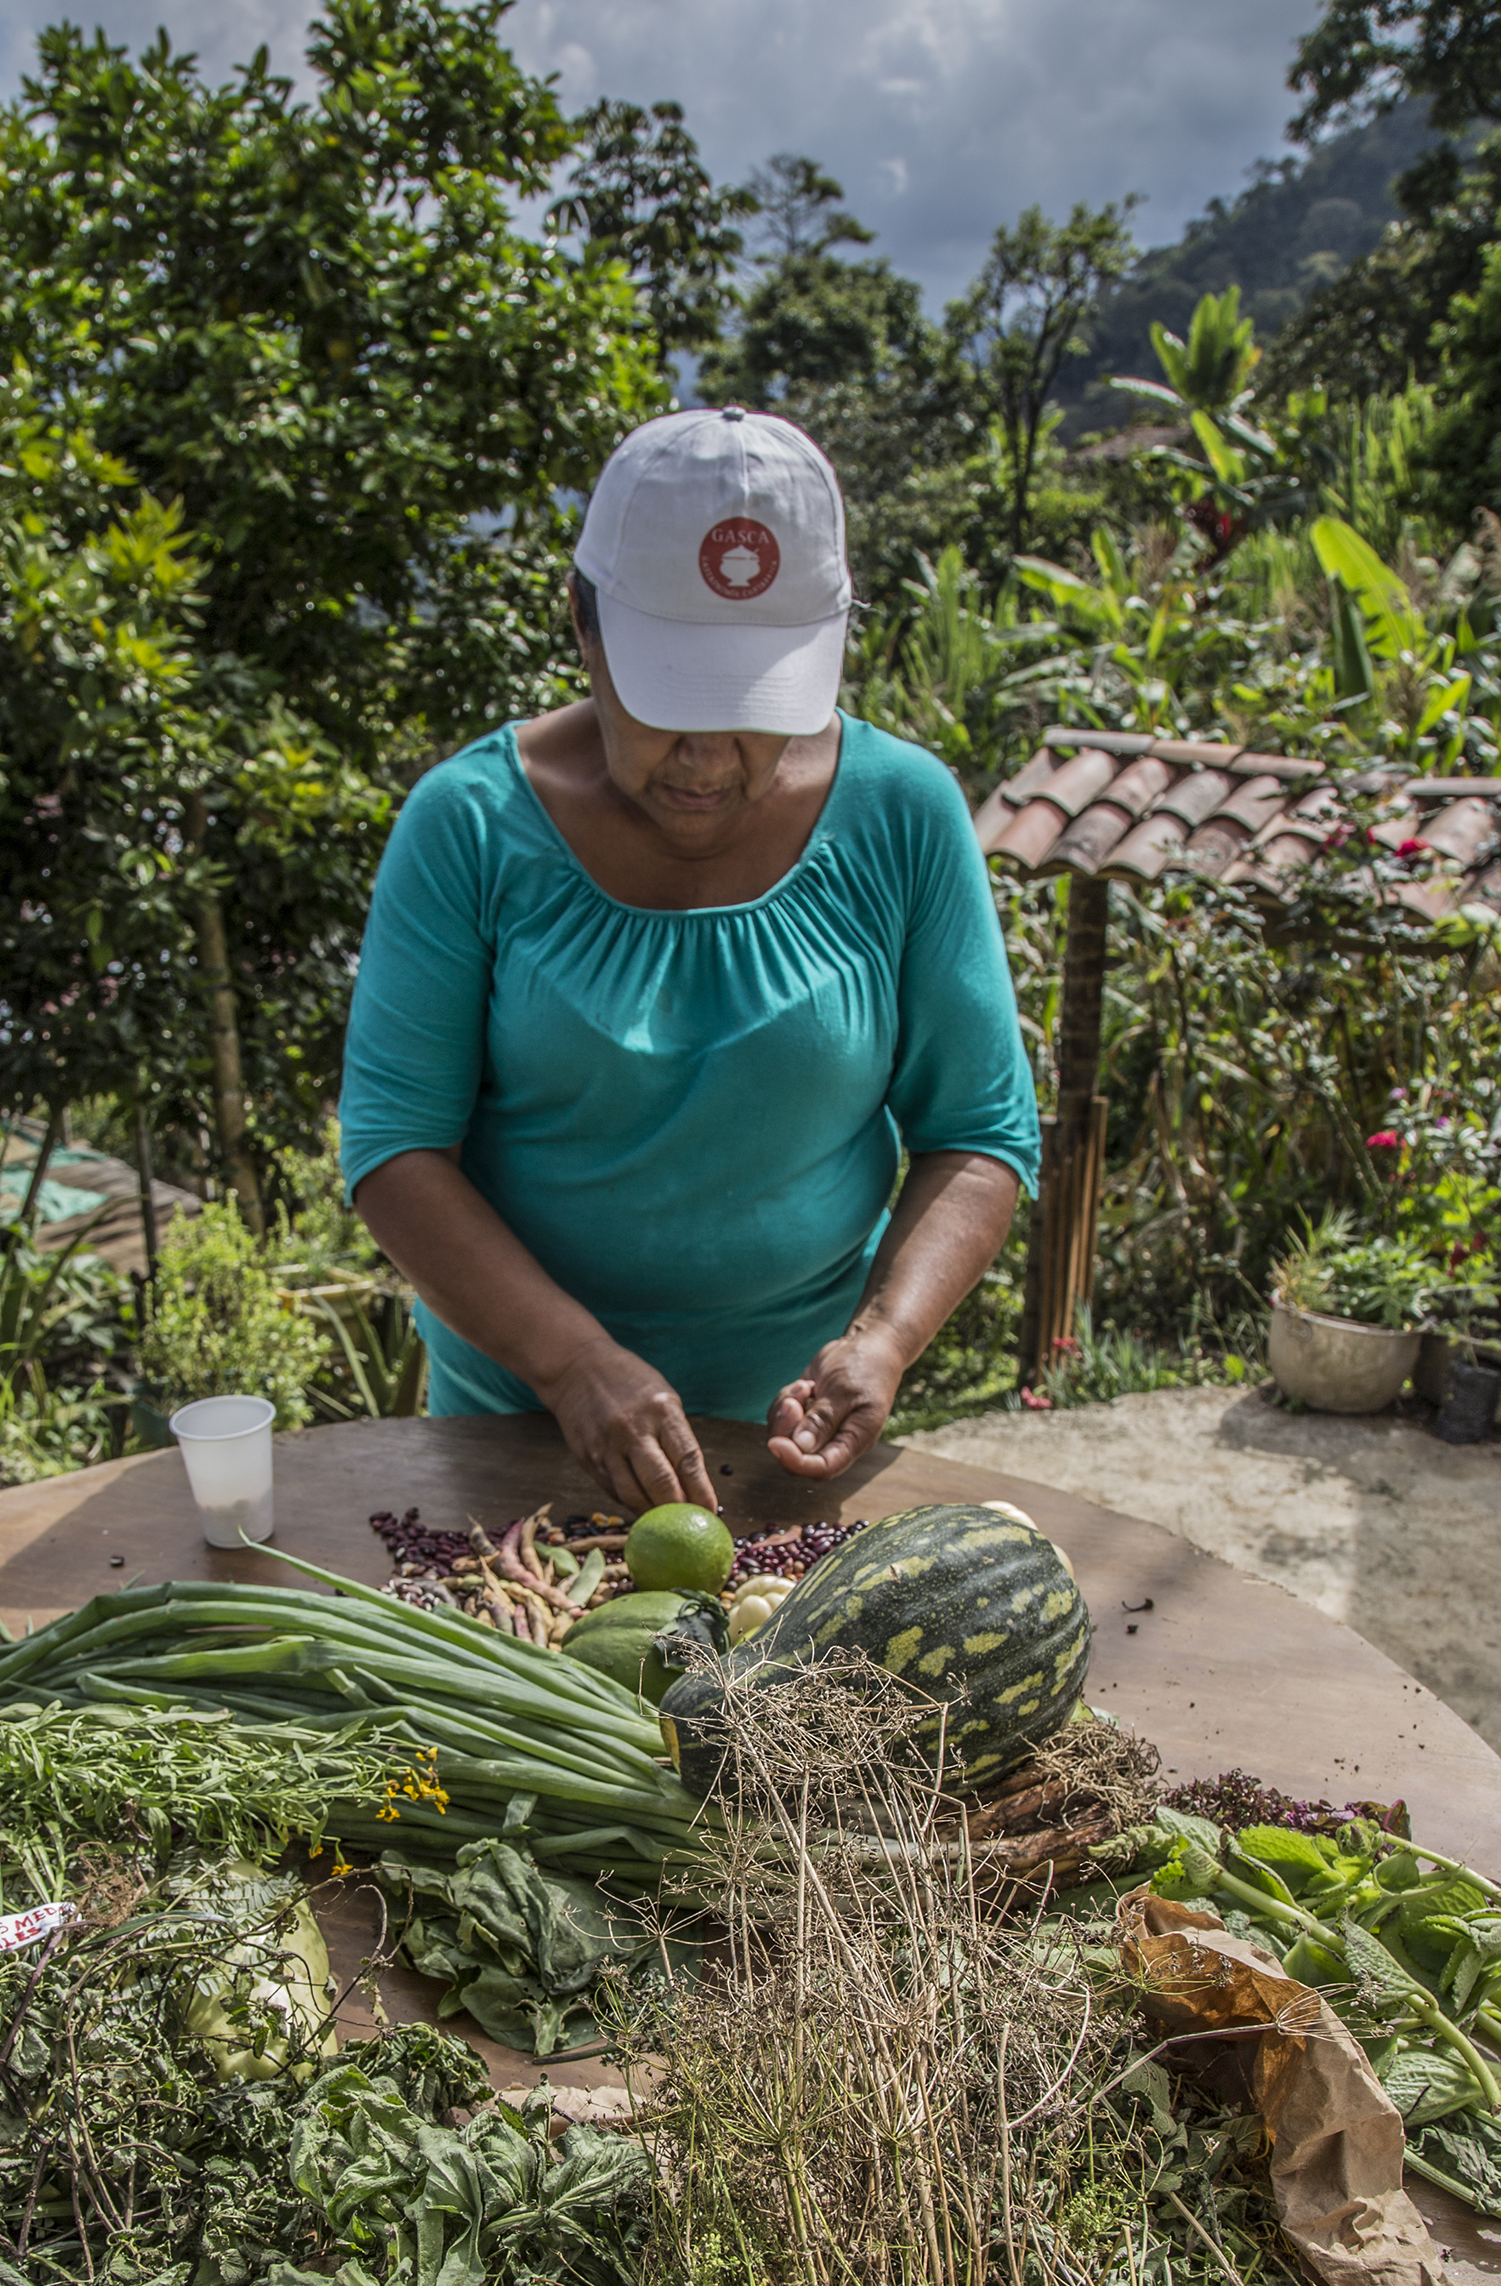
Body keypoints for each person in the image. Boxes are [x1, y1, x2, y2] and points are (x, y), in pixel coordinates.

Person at [338, 403, 1038, 1512]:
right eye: (667, 706)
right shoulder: (467, 824)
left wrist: (884, 1338)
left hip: (791, 1442)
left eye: (753, 712)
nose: (708, 760)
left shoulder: (902, 814)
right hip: (517, 1433)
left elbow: (977, 1133)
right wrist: (570, 1365)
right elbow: (395, 1148)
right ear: (582, 625)